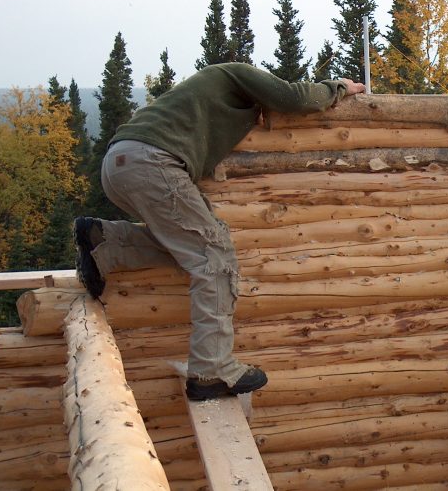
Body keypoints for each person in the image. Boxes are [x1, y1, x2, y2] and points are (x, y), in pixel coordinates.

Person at [74, 63, 365, 401]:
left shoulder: (203, 93)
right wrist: (338, 87)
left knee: (195, 245)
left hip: (120, 163)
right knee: (214, 256)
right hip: (153, 163)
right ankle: (211, 371)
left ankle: (105, 242)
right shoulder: (236, 73)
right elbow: (293, 96)